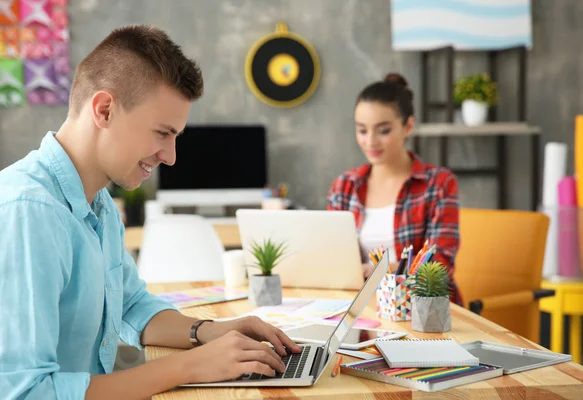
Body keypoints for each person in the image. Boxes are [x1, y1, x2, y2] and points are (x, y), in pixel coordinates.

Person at [0, 25, 301, 399]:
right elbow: (27, 392)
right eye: (162, 133)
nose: (171, 157)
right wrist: (190, 366)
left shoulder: (98, 204)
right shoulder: (28, 214)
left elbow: (131, 305)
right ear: (104, 109)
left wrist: (209, 331)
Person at [326, 73, 463, 306]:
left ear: (408, 126)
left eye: (384, 130)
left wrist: (381, 271)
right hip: (360, 309)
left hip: (423, 311)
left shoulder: (438, 184)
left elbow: (440, 266)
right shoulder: (345, 186)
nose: (371, 141)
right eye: (362, 130)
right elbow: (332, 257)